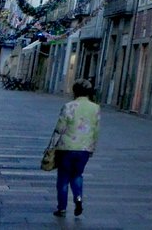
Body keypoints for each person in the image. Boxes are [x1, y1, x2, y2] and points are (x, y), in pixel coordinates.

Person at [50, 79, 100, 217]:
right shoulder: (95, 108)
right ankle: (78, 199)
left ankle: (62, 208)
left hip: (66, 147)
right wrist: (92, 147)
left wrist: (52, 145)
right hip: (84, 148)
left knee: (63, 178)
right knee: (77, 175)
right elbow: (96, 130)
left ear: (75, 91)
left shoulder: (69, 106)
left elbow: (60, 128)